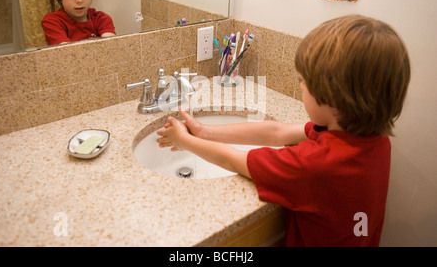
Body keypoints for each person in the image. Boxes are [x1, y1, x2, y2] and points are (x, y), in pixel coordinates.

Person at [156, 15, 411, 247]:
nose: (300, 88)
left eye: (303, 82)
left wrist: (185, 141)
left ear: (333, 97)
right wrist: (203, 131)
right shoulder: (371, 139)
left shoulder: (315, 165)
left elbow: (233, 159)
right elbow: (277, 132)